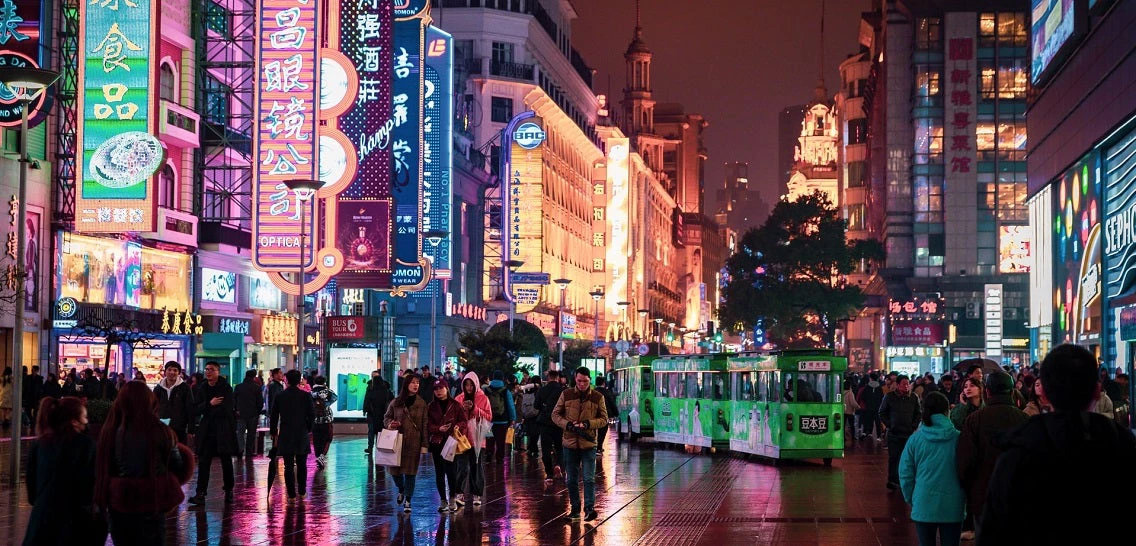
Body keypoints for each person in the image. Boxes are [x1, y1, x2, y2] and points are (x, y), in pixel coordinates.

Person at [978, 344, 1136, 545]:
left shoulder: (1018, 452)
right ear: (1097, 391)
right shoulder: (1123, 447)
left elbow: (994, 531)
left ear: (1043, 391)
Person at [94, 382, 194, 545]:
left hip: (119, 503)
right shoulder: (160, 430)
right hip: (151, 501)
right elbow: (177, 465)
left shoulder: (110, 431)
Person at [955, 370, 1028, 542]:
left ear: (987, 391)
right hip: (1017, 493)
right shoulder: (1024, 419)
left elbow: (965, 461)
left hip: (983, 494)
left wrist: (970, 491)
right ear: (1012, 392)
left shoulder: (975, 420)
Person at [24, 396, 102, 545]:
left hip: (41, 523)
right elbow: (89, 488)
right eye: (84, 417)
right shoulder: (86, 446)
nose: (86, 421)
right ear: (74, 420)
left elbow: (32, 492)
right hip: (74, 524)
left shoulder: (40, 444)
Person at [898, 392, 965, 546]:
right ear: (947, 410)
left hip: (923, 502)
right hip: (953, 505)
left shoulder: (915, 439)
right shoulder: (959, 438)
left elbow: (905, 474)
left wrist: (912, 498)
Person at [552, 367, 609, 522]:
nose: (582, 384)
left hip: (588, 443)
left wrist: (588, 424)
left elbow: (604, 419)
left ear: (589, 380)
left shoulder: (597, 397)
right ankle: (575, 509)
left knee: (589, 478)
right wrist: (567, 424)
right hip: (570, 444)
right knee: (571, 479)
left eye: (585, 381)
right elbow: (555, 415)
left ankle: (589, 509)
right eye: (579, 381)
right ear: (575, 380)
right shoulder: (566, 394)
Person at [188, 361, 238, 505]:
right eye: (207, 369)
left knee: (226, 460)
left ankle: (229, 490)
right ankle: (200, 493)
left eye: (212, 369)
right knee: (204, 462)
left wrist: (207, 410)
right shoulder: (202, 387)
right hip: (207, 430)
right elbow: (196, 409)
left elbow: (226, 409)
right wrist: (209, 404)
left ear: (218, 372)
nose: (208, 372)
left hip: (223, 429)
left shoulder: (226, 388)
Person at [384, 373, 428, 513]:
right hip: (397, 441)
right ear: (406, 384)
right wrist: (391, 424)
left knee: (410, 472)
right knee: (395, 471)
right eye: (413, 382)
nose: (416, 385)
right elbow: (386, 417)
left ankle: (408, 500)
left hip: (413, 442)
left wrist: (424, 445)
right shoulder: (396, 402)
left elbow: (424, 425)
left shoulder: (421, 403)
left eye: (418, 383)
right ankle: (401, 489)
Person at [270, 370, 315, 501]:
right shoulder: (306, 396)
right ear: (299, 380)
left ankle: (291, 495)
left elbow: (274, 416)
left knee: (288, 466)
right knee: (302, 464)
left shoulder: (280, 396)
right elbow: (312, 415)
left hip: (286, 432)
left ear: (287, 380)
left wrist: (274, 432)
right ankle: (302, 491)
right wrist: (307, 428)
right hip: (301, 433)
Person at [426, 378, 467, 512]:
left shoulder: (455, 405)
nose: (439, 391)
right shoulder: (431, 406)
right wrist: (438, 428)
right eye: (436, 389)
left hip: (450, 442)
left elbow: (463, 421)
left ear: (447, 389)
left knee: (451, 471)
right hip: (437, 442)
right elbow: (427, 424)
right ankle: (443, 499)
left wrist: (456, 427)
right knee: (439, 472)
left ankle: (452, 498)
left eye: (441, 388)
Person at [878, 374, 921, 490]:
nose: (907, 386)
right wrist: (890, 425)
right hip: (894, 433)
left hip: (908, 433)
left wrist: (914, 425)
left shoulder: (913, 397)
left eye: (908, 384)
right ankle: (892, 480)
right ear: (897, 385)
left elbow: (918, 413)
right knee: (894, 458)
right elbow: (882, 413)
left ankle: (906, 481)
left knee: (908, 459)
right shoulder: (889, 397)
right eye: (904, 384)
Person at [454, 371, 490, 507]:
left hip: (477, 439)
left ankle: (477, 494)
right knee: (461, 467)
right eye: (466, 385)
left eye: (471, 385)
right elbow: (454, 417)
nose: (469, 388)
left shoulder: (483, 398)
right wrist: (462, 410)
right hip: (462, 439)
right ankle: (460, 493)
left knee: (476, 467)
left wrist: (475, 409)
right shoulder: (458, 399)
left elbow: (489, 417)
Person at [535, 369, 566, 483]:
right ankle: (559, 466)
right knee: (560, 447)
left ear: (548, 378)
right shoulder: (562, 391)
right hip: (559, 423)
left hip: (545, 423)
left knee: (546, 449)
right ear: (558, 378)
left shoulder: (542, 390)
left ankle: (549, 474)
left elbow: (536, 406)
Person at [154, 361, 194, 444]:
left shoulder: (185, 388)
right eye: (169, 369)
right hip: (162, 426)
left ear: (179, 373)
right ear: (165, 372)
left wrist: (191, 429)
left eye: (175, 370)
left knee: (179, 451)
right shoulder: (158, 388)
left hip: (179, 427)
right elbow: (153, 406)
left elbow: (190, 409)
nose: (172, 372)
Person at [482, 370, 516, 462]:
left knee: (489, 439)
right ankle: (500, 458)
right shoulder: (505, 391)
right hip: (502, 420)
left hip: (489, 420)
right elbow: (510, 406)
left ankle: (489, 454)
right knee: (500, 440)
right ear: (502, 378)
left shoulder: (486, 390)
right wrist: (512, 418)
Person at [234, 369, 264, 458]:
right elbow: (260, 402)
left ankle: (240, 449)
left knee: (240, 433)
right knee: (251, 434)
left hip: (240, 414)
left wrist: (236, 410)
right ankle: (249, 452)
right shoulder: (256, 387)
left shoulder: (238, 387)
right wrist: (257, 412)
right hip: (253, 414)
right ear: (254, 377)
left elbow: (234, 399)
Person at [363, 369, 394, 455]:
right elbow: (367, 398)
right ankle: (371, 447)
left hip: (382, 413)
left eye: (375, 376)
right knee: (371, 431)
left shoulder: (385, 387)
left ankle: (379, 446)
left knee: (379, 431)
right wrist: (366, 409)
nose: (374, 378)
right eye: (373, 376)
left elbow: (390, 400)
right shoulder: (370, 386)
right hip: (372, 413)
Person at [310, 375, 338, 468]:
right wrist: (326, 404)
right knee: (327, 438)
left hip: (314, 420)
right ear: (324, 382)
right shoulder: (327, 391)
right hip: (326, 419)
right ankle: (322, 457)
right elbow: (335, 398)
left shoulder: (311, 392)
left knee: (316, 439)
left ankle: (318, 456)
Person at [856, 372, 885, 441]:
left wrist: (868, 402)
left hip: (868, 407)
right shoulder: (879, 387)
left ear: (871, 378)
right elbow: (882, 397)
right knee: (877, 422)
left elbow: (863, 397)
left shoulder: (867, 387)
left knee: (868, 420)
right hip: (877, 408)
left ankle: (867, 432)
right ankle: (878, 436)